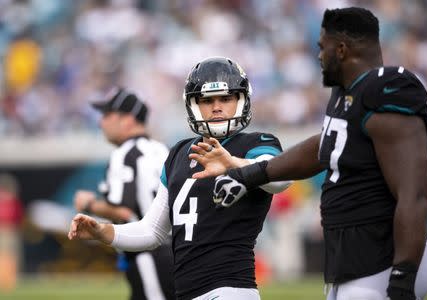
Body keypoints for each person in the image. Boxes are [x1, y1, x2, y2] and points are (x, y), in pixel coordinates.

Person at [202, 7, 427, 300]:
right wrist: (249, 174)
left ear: (340, 49)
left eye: (321, 46)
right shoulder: (347, 93)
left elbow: (413, 193)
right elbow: (324, 146)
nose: (318, 56)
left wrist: (402, 276)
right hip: (355, 256)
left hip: (384, 255)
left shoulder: (389, 89)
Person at [68, 57, 291, 300]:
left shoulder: (256, 143)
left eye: (226, 98)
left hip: (231, 288)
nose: (217, 107)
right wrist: (104, 232)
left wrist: (233, 164)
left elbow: (280, 178)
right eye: (207, 100)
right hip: (185, 291)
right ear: (193, 104)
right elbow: (152, 231)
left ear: (241, 100)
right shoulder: (178, 153)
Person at [72, 87, 175, 300]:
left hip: (148, 254)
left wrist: (89, 204)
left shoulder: (125, 154)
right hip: (178, 251)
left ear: (128, 120)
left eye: (108, 115)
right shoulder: (163, 149)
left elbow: (125, 212)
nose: (101, 122)